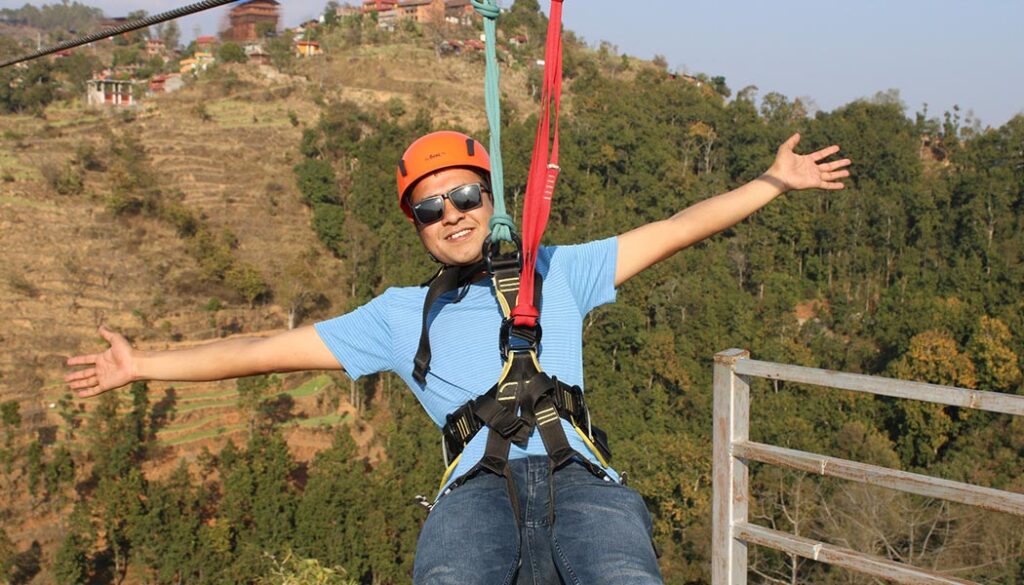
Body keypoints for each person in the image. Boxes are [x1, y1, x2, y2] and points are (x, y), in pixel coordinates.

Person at [66, 130, 849, 584]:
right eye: (430, 208)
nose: (451, 216)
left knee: (625, 576)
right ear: (417, 226)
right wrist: (144, 365)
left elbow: (680, 226)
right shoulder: (400, 315)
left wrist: (771, 183)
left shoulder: (556, 270)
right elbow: (264, 351)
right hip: (476, 489)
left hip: (581, 480)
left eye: (465, 197)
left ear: (490, 199)